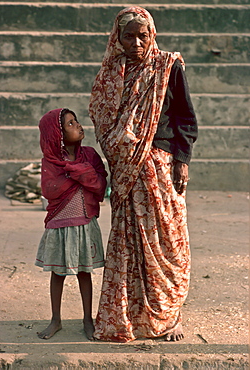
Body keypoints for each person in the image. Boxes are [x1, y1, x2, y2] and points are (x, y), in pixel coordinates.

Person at [89, 6, 198, 343]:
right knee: (129, 244)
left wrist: (182, 159)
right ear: (117, 38)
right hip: (127, 171)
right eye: (129, 36)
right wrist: (121, 151)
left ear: (152, 34)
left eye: (143, 35)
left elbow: (185, 117)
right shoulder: (112, 73)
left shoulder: (168, 66)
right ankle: (129, 317)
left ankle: (170, 315)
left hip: (161, 166)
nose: (136, 42)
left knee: (166, 243)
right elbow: (103, 119)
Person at [35, 108, 107, 340]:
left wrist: (80, 171)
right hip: (59, 224)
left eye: (76, 121)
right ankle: (56, 319)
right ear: (57, 134)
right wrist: (75, 173)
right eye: (70, 124)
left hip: (84, 223)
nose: (78, 125)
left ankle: (88, 319)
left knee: (84, 272)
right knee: (58, 273)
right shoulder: (51, 161)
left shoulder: (90, 156)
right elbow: (50, 189)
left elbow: (100, 185)